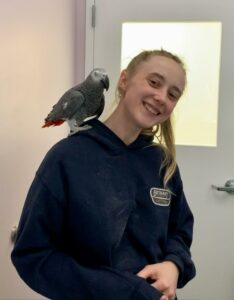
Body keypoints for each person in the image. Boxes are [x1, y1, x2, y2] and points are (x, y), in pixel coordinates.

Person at [11, 49, 196, 300]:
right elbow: (33, 256)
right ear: (123, 80)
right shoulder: (67, 157)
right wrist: (116, 290)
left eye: (173, 94)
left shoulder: (163, 163)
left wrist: (174, 265)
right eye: (154, 82)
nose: (162, 97)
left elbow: (180, 231)